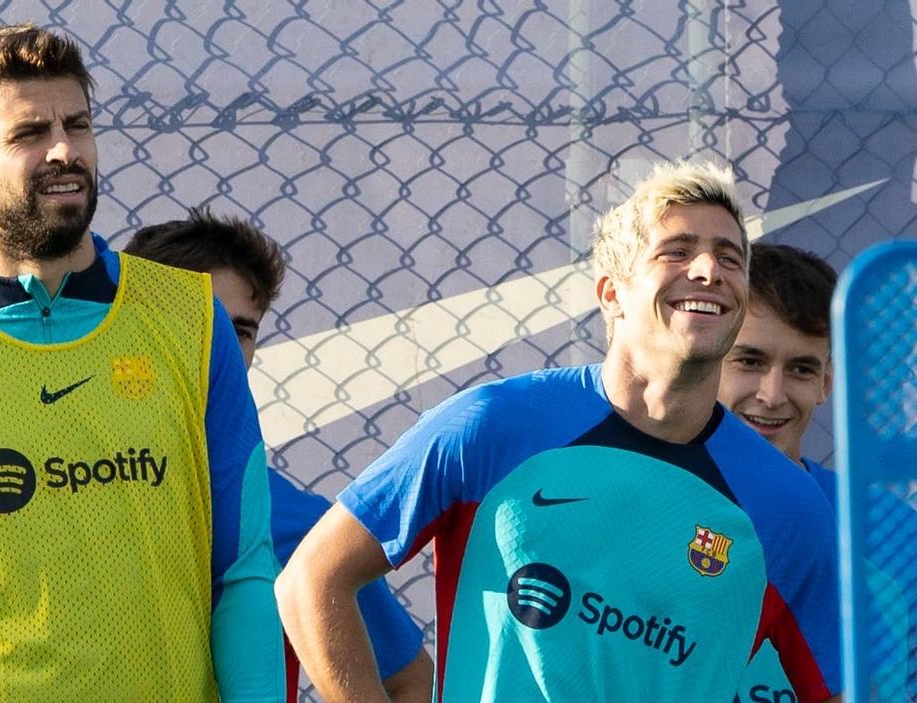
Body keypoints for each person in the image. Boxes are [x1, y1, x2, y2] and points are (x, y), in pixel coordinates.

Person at [0, 24, 282, 702]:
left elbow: (241, 569)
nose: (65, 149)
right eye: (28, 133)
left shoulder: (190, 319)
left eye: (78, 123)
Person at [276, 160, 842, 702]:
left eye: (729, 257)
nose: (708, 271)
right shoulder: (493, 425)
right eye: (676, 252)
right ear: (612, 294)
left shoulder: (787, 505)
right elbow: (311, 579)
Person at [123, 207, 435, 702]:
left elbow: (407, 677)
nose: (220, 347)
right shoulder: (63, 476)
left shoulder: (293, 520)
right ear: (132, 328)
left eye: (241, 331)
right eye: (197, 320)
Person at [720, 243, 915, 702]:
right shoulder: (639, 507)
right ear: (709, 359)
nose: (772, 394)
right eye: (749, 361)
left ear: (828, 380)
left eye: (801, 369)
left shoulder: (892, 534)